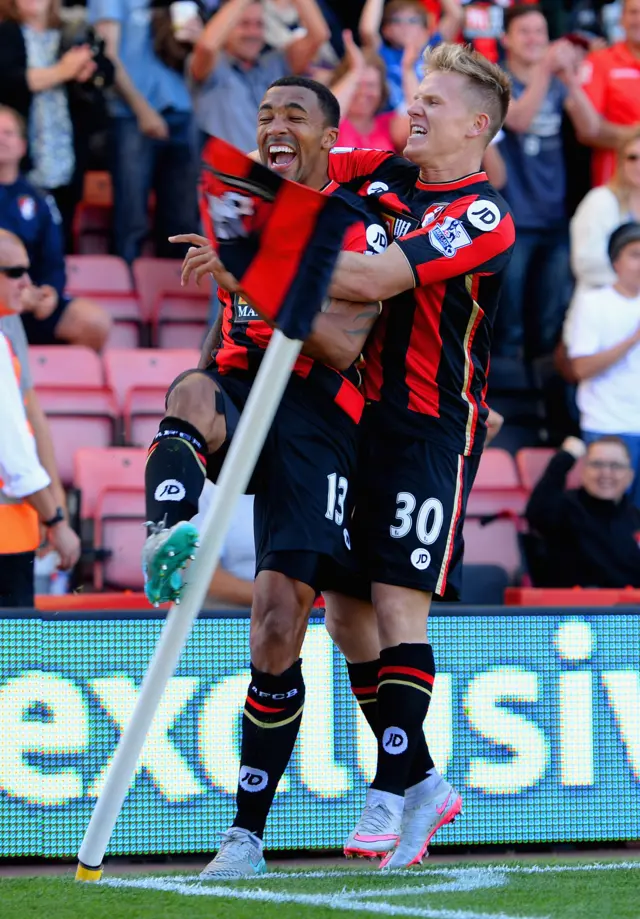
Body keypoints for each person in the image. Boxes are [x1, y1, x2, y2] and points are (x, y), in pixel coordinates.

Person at [208, 42, 516, 870]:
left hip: (428, 428)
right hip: (355, 422)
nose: (414, 112)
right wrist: (266, 170)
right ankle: (421, 780)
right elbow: (288, 167)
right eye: (414, 98)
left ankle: (391, 786)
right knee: (344, 618)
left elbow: (378, 278)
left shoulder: (483, 214)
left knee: (394, 608)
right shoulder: (380, 166)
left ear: (477, 125)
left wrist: (260, 262)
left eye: (433, 104)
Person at [143, 75, 388, 878]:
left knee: (277, 621)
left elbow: (342, 344)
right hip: (247, 390)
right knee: (187, 390)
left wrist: (246, 273)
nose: (275, 127)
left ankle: (247, 832)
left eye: (294, 116)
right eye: (265, 115)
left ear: (328, 137)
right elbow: (226, 329)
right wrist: (228, 305)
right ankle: (166, 534)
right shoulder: (241, 208)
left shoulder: (355, 224)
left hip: (316, 417)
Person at [493, 4, 600, 359]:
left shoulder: (554, 81)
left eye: (540, 31)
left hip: (554, 214)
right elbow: (519, 120)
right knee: (509, 321)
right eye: (525, 31)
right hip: (512, 217)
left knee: (550, 318)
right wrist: (544, 69)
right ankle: (508, 405)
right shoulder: (494, 80)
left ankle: (543, 405)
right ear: (506, 38)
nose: (535, 39)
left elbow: (590, 129)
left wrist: (569, 78)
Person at [0, 229, 80, 606]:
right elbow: (13, 452)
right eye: (15, 272)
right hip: (7, 542)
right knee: (11, 662)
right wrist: (56, 521)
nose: (28, 284)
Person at [88, 0, 201, 264]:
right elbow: (108, 57)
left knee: (183, 221)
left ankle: (176, 296)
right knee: (131, 220)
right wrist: (143, 111)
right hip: (131, 116)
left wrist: (199, 39)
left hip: (184, 110)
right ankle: (128, 298)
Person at [0, 0, 113, 250]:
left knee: (59, 237)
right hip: (18, 154)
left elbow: (106, 72)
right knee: (14, 239)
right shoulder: (5, 32)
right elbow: (7, 79)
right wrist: (62, 71)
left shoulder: (72, 31)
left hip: (66, 152)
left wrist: (88, 72)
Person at [0, 105, 111, 350]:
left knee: (93, 322)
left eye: (7, 133)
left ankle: (48, 384)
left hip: (32, 303)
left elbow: (53, 261)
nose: (1, 138)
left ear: (22, 145)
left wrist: (48, 293)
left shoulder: (39, 199)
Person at [564, 221, 640, 506]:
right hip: (608, 425)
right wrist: (632, 339)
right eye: (635, 254)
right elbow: (581, 368)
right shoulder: (594, 301)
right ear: (616, 261)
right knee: (606, 522)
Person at [190, 0, 330, 152]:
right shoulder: (213, 66)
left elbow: (319, 35)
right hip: (222, 172)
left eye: (259, 25)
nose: (253, 33)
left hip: (273, 171)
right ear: (226, 28)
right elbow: (207, 46)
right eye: (244, 24)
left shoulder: (274, 64)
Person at [526, 434, 640, 587]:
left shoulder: (635, 519)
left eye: (616, 466)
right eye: (597, 464)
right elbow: (537, 514)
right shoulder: (564, 507)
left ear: (630, 476)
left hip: (629, 608)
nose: (606, 473)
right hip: (573, 608)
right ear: (583, 471)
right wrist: (564, 458)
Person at [570, 128, 640, 299]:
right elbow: (586, 263)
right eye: (632, 157)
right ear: (621, 161)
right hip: (603, 307)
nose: (638, 164)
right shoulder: (601, 201)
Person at [359, 0, 463, 111]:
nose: (405, 26)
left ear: (426, 30)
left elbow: (456, 15)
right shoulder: (383, 54)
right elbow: (367, 30)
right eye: (396, 20)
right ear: (386, 31)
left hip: (432, 119)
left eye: (413, 20)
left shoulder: (434, 48)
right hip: (392, 121)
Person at [580, 0, 640, 187]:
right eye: (633, 12)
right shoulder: (600, 61)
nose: (639, 19)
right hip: (616, 183)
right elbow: (589, 130)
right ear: (621, 18)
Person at [329, 31, 409, 153]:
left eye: (371, 85)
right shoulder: (334, 126)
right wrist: (355, 71)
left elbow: (418, 129)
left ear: (381, 90)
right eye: (357, 84)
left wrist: (408, 69)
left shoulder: (388, 124)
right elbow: (324, 117)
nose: (363, 92)